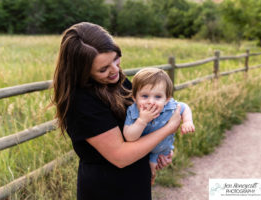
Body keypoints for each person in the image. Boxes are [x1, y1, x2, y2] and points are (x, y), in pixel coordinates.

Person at [51, 22, 182, 200]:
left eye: (115, 59)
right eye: (103, 69)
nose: (115, 70)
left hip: (136, 182)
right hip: (108, 189)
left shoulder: (116, 80)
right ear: (82, 72)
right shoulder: (80, 102)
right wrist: (169, 128)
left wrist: (157, 152)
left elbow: (140, 123)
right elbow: (120, 156)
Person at [123, 68, 195, 185]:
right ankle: (151, 177)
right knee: (149, 170)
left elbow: (184, 107)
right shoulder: (134, 112)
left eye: (158, 97)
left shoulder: (169, 106)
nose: (151, 101)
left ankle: (153, 175)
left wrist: (187, 121)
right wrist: (142, 120)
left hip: (164, 149)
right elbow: (129, 137)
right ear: (134, 98)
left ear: (166, 99)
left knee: (156, 164)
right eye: (145, 96)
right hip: (145, 150)